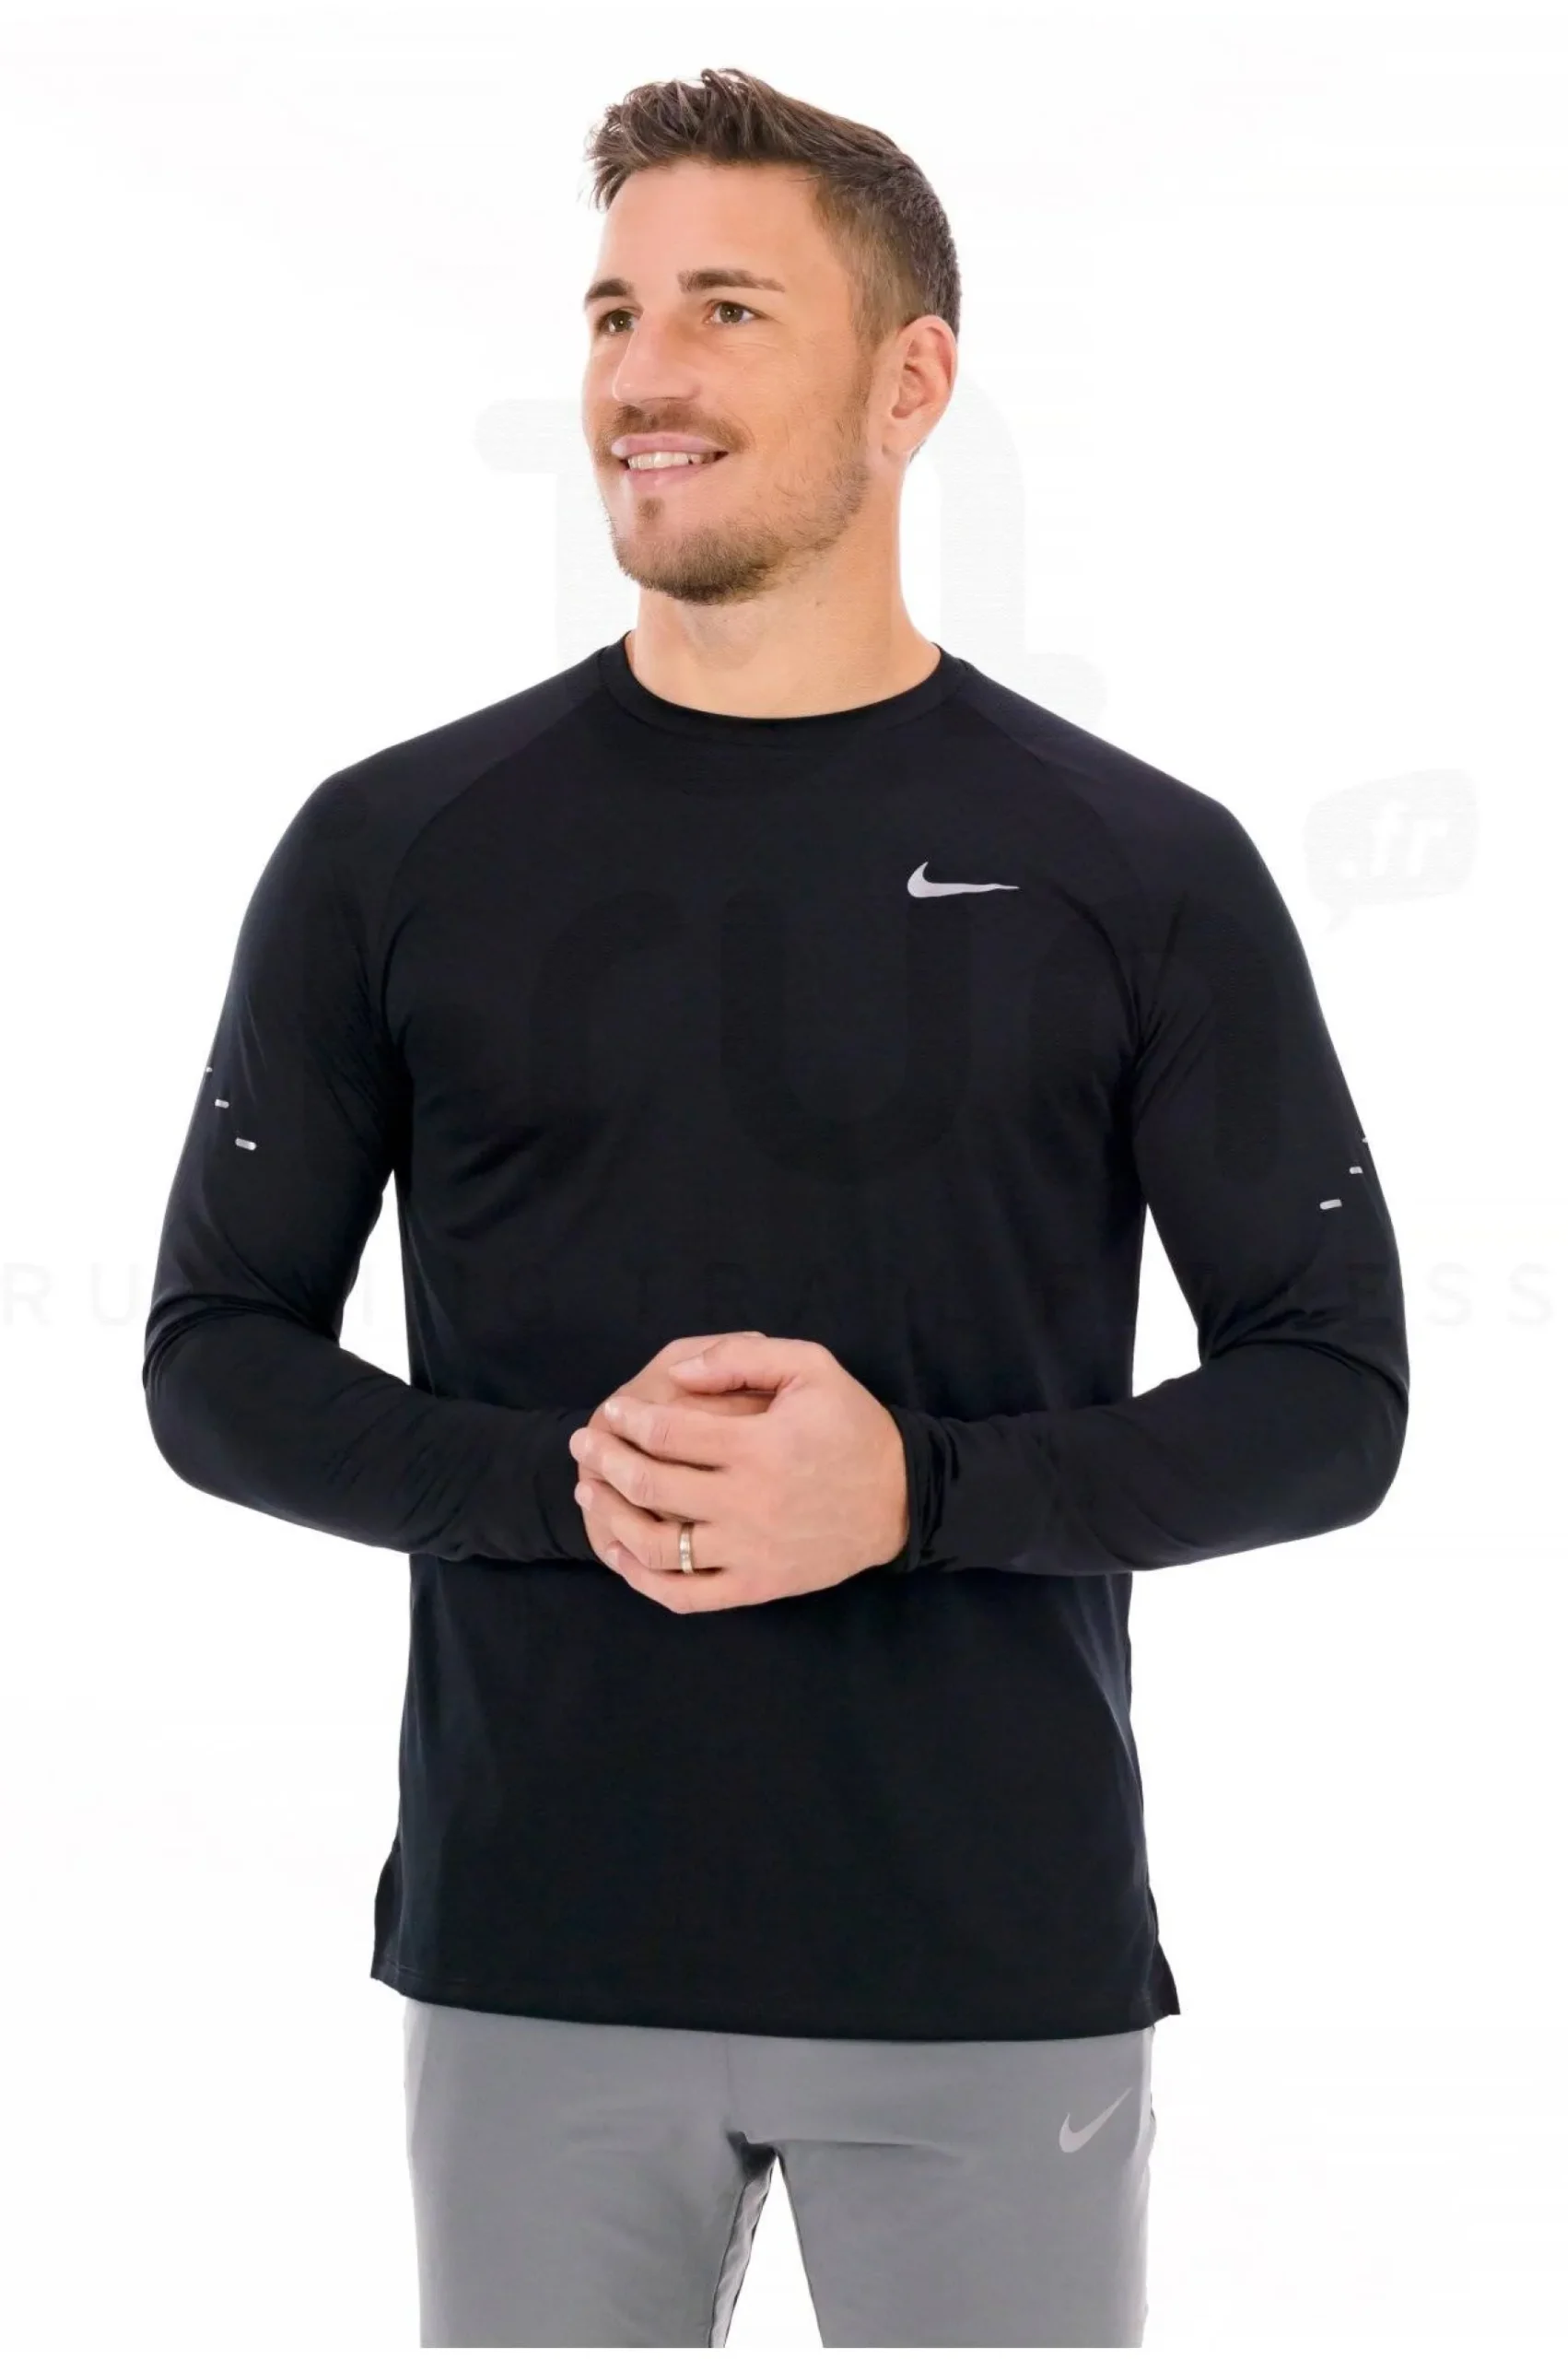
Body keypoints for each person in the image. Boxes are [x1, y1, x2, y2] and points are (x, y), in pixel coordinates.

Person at [141, 63, 1409, 2349]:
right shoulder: (394, 845)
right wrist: (569, 1481)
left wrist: (912, 1491)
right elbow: (212, 1356)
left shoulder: (1135, 863)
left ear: (909, 383)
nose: (645, 373)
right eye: (614, 312)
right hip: (535, 1943)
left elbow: (1330, 1395)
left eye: (727, 310)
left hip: (983, 1957)